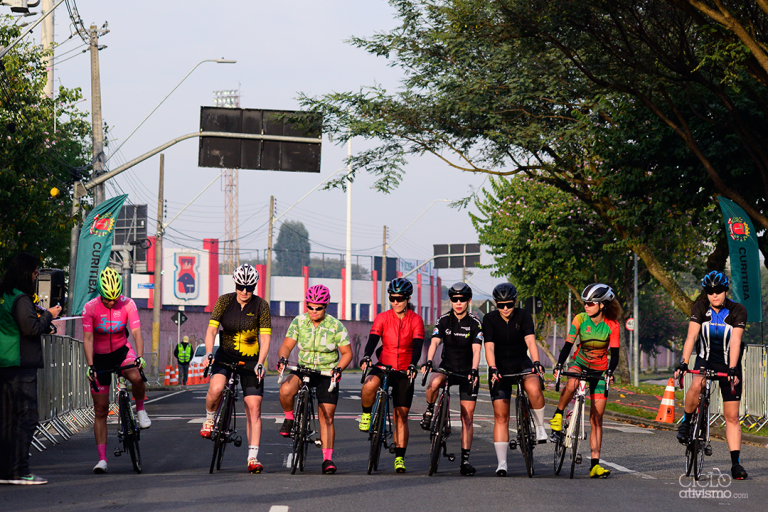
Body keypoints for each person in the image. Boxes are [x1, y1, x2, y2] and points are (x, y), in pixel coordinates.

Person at [674, 271, 748, 480]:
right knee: (697, 384)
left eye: (718, 291)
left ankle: (736, 464)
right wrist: (684, 361)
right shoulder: (700, 307)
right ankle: (687, 422)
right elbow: (692, 336)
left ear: (725, 291)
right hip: (705, 359)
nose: (714, 295)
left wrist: (732, 368)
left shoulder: (737, 310)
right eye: (710, 291)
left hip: (728, 362)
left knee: (732, 416)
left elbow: (735, 341)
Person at [200, 264, 271, 474]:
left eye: (249, 288)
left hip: (251, 360)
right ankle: (210, 419)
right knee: (216, 388)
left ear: (255, 287)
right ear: (235, 284)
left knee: (254, 406)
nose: (244, 292)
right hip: (226, 355)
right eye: (241, 286)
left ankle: (252, 457)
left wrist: (261, 362)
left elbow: (265, 337)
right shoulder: (224, 300)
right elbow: (212, 330)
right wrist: (208, 352)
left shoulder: (261, 306)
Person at [277, 284, 352, 474]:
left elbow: (347, 353)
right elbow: (286, 345)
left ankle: (327, 459)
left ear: (326, 307)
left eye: (318, 308)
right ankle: (289, 419)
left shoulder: (336, 325)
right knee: (285, 389)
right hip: (303, 369)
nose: (313, 311)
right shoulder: (299, 321)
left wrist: (338, 368)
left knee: (327, 416)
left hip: (327, 372)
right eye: (310, 307)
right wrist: (283, 358)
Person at [0, 252, 61, 485]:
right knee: (26, 417)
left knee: (6, 420)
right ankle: (20, 471)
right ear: (26, 272)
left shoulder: (4, 295)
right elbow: (31, 328)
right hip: (20, 365)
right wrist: (49, 315)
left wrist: (43, 323)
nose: (37, 276)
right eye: (35, 272)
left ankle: (5, 471)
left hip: (4, 364)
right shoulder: (20, 298)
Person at [82, 267, 149, 474]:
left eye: (115, 298)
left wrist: (139, 355)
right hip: (100, 357)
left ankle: (139, 409)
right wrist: (90, 365)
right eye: (108, 299)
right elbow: (88, 338)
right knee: (100, 410)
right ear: (101, 294)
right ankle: (102, 459)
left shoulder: (128, 303)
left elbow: (136, 331)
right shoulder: (90, 308)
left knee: (137, 378)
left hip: (122, 351)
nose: (112, 302)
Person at [550, 283, 620, 479]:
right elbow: (568, 344)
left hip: (600, 369)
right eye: (584, 303)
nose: (586, 306)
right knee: (571, 382)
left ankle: (595, 465)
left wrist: (610, 371)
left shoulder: (612, 325)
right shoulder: (580, 319)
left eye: (590, 303)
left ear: (602, 305)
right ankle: (557, 415)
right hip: (579, 362)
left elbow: (615, 355)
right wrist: (559, 364)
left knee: (597, 418)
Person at [359, 277, 424, 473]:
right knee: (369, 384)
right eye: (392, 298)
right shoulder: (383, 317)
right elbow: (373, 339)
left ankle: (399, 458)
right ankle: (366, 414)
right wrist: (366, 356)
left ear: (408, 298)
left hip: (404, 369)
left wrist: (413, 364)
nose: (395, 302)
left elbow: (417, 346)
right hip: (384, 364)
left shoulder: (416, 320)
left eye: (400, 298)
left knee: (401, 415)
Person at [482, 283, 547, 477]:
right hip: (499, 367)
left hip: (521, 362)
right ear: (495, 304)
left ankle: (541, 428)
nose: (505, 309)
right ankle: (502, 463)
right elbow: (489, 347)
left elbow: (530, 341)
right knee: (501, 416)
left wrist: (536, 362)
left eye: (509, 304)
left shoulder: (523, 315)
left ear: (515, 301)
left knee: (534, 388)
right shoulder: (489, 319)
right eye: (501, 305)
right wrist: (492, 367)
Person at [420, 282, 483, 476]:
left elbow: (476, 349)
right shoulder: (444, 320)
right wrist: (429, 360)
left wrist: (473, 370)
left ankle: (465, 461)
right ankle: (430, 411)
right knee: (434, 382)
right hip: (447, 368)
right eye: (454, 300)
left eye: (462, 300)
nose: (458, 303)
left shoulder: (474, 323)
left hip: (467, 371)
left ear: (468, 301)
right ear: (451, 301)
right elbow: (435, 342)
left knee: (467, 418)